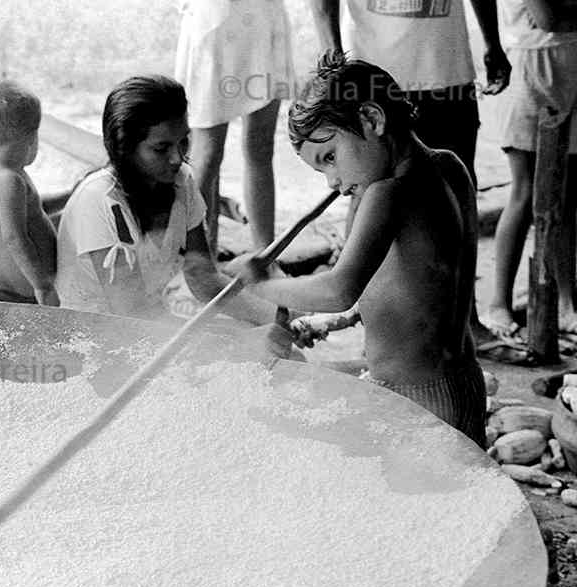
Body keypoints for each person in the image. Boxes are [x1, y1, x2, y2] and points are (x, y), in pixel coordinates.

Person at [224, 53, 486, 444]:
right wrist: (335, 321)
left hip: (415, 399)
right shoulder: (450, 167)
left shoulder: (387, 193)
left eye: (330, 157)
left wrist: (258, 282)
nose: (332, 181)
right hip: (463, 382)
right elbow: (425, 287)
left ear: (372, 120)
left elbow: (338, 289)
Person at [308, 0, 509, 347]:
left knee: (455, 190)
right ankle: (367, 316)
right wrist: (334, 64)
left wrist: (492, 41)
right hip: (377, 72)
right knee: (367, 192)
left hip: (447, 67)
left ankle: (463, 320)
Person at [54, 75, 287, 331]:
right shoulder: (100, 201)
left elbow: (203, 277)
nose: (177, 158)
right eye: (161, 148)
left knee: (278, 345)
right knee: (256, 349)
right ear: (125, 147)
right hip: (96, 336)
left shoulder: (181, 182)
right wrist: (242, 339)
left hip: (150, 324)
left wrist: (284, 319)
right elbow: (129, 316)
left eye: (183, 141)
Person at [486, 0, 577, 345]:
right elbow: (548, 16)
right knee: (524, 194)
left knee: (566, 197)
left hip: (569, 60)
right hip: (533, 65)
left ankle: (566, 303)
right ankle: (499, 303)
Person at [174, 0, 295, 255]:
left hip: (263, 19)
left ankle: (265, 257)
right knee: (206, 156)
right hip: (215, 23)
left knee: (261, 147)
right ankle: (197, 262)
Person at [0, 80, 58, 305]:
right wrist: (42, 286)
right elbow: (14, 239)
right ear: (32, 141)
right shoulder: (10, 181)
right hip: (13, 298)